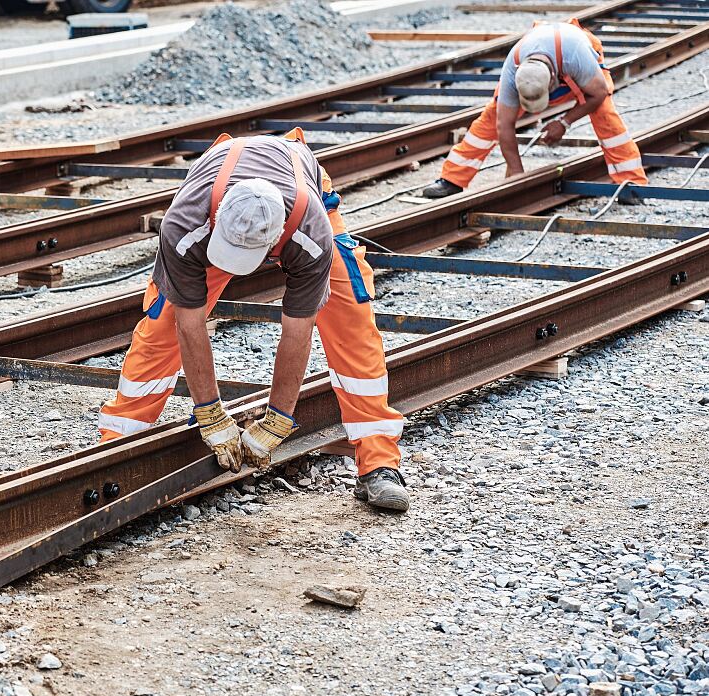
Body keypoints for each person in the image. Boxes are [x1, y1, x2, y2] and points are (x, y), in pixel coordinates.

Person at [97, 130, 408, 512]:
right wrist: (209, 413)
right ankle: (115, 446)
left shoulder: (311, 233)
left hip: (301, 191)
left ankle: (379, 462)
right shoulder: (183, 224)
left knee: (351, 320)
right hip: (217, 189)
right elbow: (189, 325)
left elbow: (298, 329)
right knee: (163, 323)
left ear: (277, 238)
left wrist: (279, 419)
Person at [421, 19, 646, 199]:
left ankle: (631, 183)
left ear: (552, 83)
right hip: (543, 58)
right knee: (491, 118)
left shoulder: (577, 56)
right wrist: (518, 176)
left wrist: (564, 123)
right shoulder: (512, 71)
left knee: (604, 114)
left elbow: (598, 93)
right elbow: (504, 125)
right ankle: (452, 179)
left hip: (570, 54)